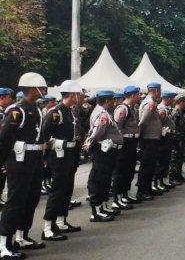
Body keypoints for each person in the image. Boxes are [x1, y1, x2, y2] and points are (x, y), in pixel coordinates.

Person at [0, 73, 49, 258]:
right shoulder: (16, 110)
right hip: (19, 161)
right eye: (41, 88)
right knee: (15, 202)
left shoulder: (36, 109)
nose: (43, 91)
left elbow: (39, 137)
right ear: (31, 88)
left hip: (34, 160)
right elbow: (4, 138)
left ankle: (22, 236)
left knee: (31, 199)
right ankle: (4, 243)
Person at [41, 80, 83, 242]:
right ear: (71, 95)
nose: (79, 97)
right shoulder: (55, 112)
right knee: (57, 190)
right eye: (77, 94)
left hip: (70, 154)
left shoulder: (69, 111)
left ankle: (61, 220)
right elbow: (44, 135)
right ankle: (47, 227)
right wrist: (54, 147)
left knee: (67, 188)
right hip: (58, 156)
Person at [84, 90, 123, 222]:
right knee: (99, 179)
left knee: (105, 179)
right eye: (113, 100)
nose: (114, 102)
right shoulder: (102, 114)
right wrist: (89, 143)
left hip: (106, 151)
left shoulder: (104, 112)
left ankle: (102, 207)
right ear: (107, 101)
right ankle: (96, 211)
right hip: (101, 151)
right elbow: (98, 133)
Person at [112, 85, 141, 208]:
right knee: (121, 171)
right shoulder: (123, 109)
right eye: (138, 94)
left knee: (129, 170)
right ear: (133, 95)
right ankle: (117, 199)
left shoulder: (131, 108)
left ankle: (125, 194)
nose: (139, 97)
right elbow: (117, 127)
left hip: (132, 142)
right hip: (125, 143)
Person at [137, 83, 163, 199]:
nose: (160, 93)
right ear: (156, 91)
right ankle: (142, 191)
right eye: (160, 90)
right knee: (146, 166)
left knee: (151, 165)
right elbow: (142, 122)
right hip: (148, 139)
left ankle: (147, 188)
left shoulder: (152, 102)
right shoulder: (150, 103)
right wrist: (140, 136)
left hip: (152, 139)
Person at [0, 88, 14, 210]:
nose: (11, 99)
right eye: (9, 97)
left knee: (2, 175)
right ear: (2, 98)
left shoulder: (5, 111)